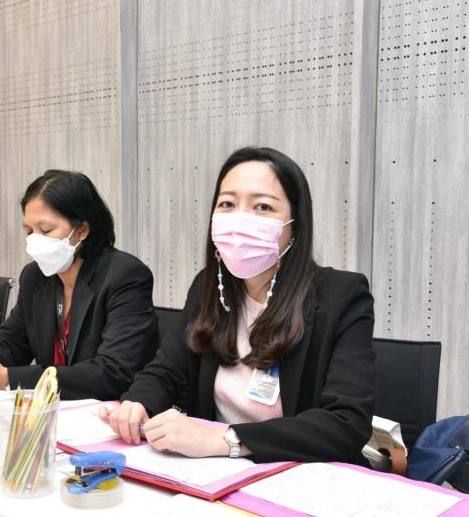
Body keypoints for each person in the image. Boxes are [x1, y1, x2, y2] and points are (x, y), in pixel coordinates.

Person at [101, 147, 375, 464]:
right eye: (227, 204)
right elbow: (165, 371)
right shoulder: (208, 288)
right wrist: (138, 403)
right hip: (215, 474)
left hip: (296, 473)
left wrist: (225, 440)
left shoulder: (341, 296)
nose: (239, 219)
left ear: (295, 224)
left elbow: (346, 422)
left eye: (262, 206)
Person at [0, 169, 159, 400]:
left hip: (109, 411)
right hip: (50, 409)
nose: (35, 240)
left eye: (46, 230)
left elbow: (112, 372)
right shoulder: (35, 277)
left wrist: (7, 379)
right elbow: (12, 339)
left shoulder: (124, 276)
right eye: (29, 231)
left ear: (82, 229)